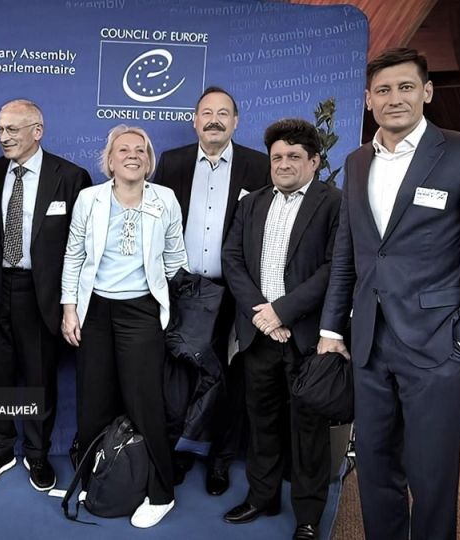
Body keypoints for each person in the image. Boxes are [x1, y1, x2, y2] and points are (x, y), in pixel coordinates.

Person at [318, 48, 460, 540]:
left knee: (432, 475)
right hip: (368, 342)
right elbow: (348, 252)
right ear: (368, 100)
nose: (395, 99)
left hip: (437, 342)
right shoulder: (356, 161)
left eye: (405, 87)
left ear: (427, 92)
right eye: (383, 90)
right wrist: (331, 328)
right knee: (375, 467)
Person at [61, 125, 187, 528]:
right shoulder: (90, 199)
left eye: (140, 150)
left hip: (142, 311)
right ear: (110, 161)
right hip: (95, 310)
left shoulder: (164, 199)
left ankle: (161, 493)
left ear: (148, 160)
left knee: (144, 402)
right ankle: (94, 478)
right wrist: (69, 309)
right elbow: (74, 255)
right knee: (94, 402)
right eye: (123, 150)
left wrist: (180, 312)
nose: (133, 155)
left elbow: (175, 259)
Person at [221, 119, 340, 540]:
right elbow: (232, 259)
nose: (284, 164)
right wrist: (262, 314)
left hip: (306, 338)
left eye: (293, 156)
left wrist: (283, 312)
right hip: (258, 335)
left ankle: (308, 516)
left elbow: (335, 268)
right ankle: (262, 497)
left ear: (314, 161)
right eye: (277, 157)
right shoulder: (251, 203)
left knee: (308, 430)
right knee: (261, 422)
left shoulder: (334, 203)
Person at [0, 99, 91, 492]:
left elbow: (82, 247)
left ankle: (37, 453)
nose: (3, 137)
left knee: (39, 378)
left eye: (12, 129)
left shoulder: (70, 177)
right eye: (0, 130)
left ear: (37, 131)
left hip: (41, 294)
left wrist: (71, 304)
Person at [151, 86, 270, 495]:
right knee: (181, 378)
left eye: (223, 113)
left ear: (236, 122)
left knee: (229, 378)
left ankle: (220, 459)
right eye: (206, 113)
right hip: (183, 291)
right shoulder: (173, 162)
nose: (214, 120)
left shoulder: (258, 166)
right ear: (194, 121)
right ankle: (182, 452)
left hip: (234, 292)